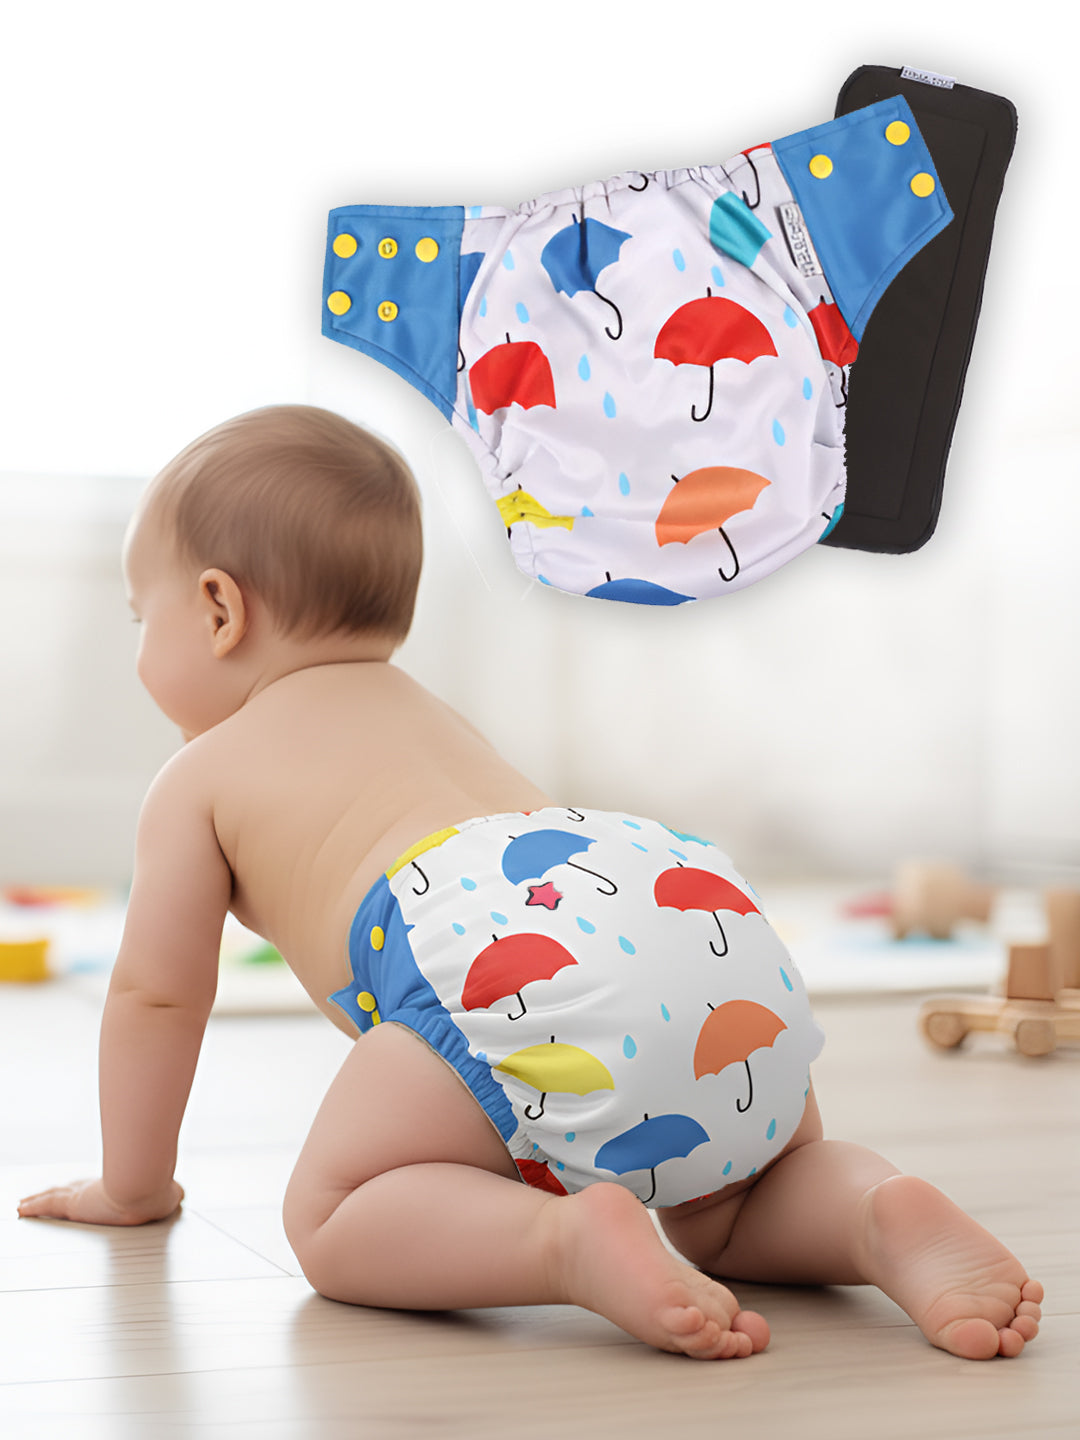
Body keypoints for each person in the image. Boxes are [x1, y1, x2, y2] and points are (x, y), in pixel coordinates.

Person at [18, 405, 1042, 1362]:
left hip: (477, 943)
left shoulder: (202, 774)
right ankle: (874, 1212)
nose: (138, 645)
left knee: (332, 1214)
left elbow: (158, 996)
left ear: (215, 609)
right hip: (672, 904)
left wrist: (133, 1185)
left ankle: (561, 1243)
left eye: (136, 614)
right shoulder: (429, 713)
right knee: (731, 1204)